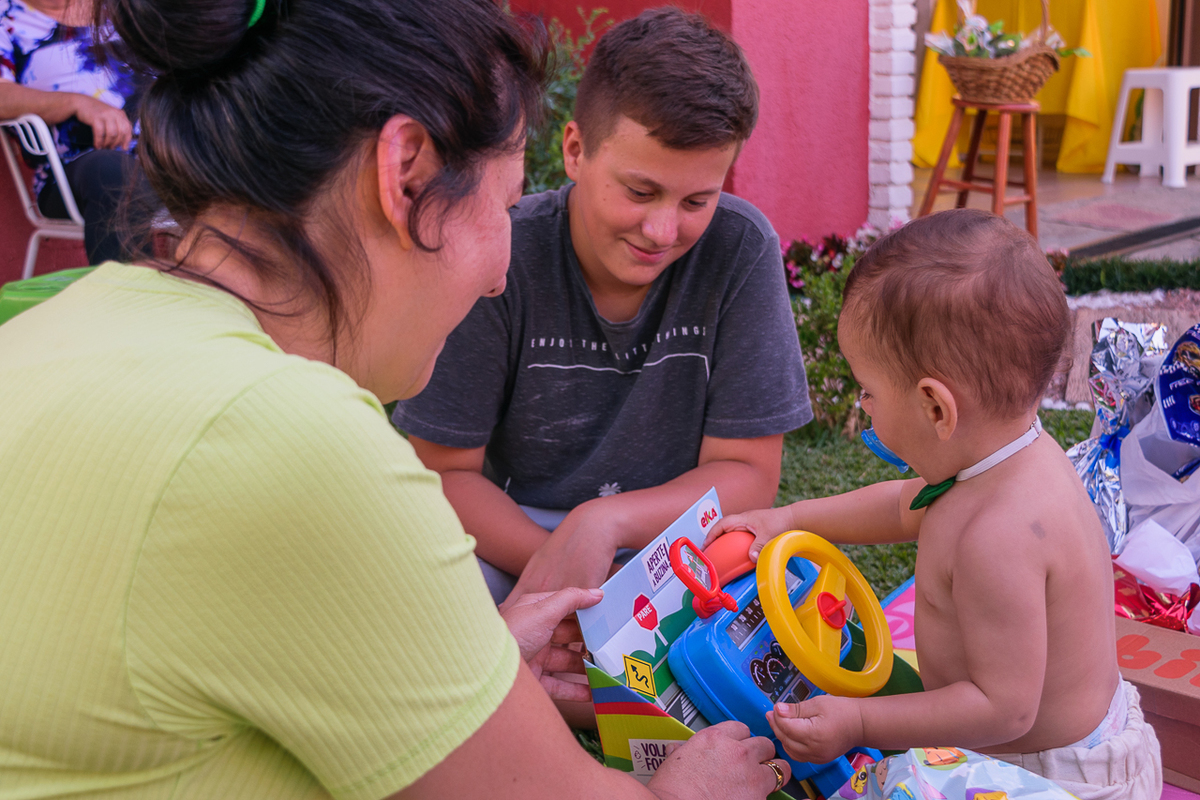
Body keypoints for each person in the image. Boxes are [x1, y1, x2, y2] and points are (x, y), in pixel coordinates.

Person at [0, 1, 792, 798]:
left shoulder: (49, 328)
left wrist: (477, 656)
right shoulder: (299, 446)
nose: (498, 273)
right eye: (506, 202)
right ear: (407, 172)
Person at [705, 209, 1162, 800]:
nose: (864, 406)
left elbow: (1004, 710)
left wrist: (860, 723)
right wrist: (790, 518)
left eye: (868, 390)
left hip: (1047, 780)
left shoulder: (999, 537)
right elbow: (901, 507)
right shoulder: (1000, 456)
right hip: (1047, 747)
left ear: (936, 409)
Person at [393, 7, 811, 605]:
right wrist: (569, 577)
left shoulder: (739, 248)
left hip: (678, 549)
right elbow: (444, 473)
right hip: (514, 542)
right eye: (640, 191)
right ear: (574, 150)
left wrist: (604, 523)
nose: (663, 229)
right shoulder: (504, 252)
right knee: (421, 602)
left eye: (698, 199)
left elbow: (747, 476)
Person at [0, 0, 150, 264]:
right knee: (112, 172)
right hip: (73, 179)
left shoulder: (128, 7)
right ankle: (128, 301)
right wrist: (73, 102)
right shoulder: (7, 15)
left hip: (167, 162)